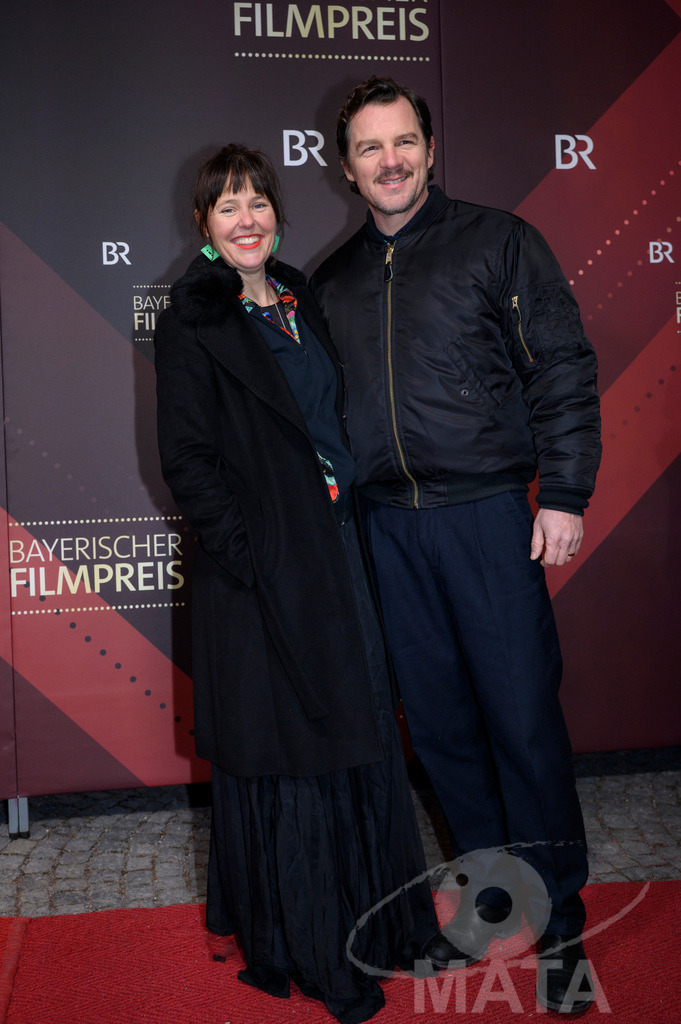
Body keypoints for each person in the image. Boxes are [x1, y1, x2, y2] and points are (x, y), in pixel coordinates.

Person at [311, 77, 602, 1015]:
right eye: (368, 147)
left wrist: (560, 492)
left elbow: (561, 364)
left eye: (403, 142)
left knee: (520, 721)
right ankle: (487, 902)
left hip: (487, 519)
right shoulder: (334, 280)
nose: (389, 160)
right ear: (344, 166)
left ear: (430, 151)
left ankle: (560, 925)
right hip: (387, 531)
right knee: (437, 731)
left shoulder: (499, 241)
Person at [154, 144, 438, 1024]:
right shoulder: (192, 322)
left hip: (338, 557)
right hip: (263, 579)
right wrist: (253, 554)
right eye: (227, 207)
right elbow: (187, 462)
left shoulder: (299, 299)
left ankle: (388, 928)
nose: (247, 220)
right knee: (296, 758)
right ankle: (318, 947)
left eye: (258, 203)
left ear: (278, 212)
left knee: (358, 735)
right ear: (203, 225)